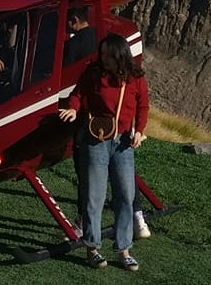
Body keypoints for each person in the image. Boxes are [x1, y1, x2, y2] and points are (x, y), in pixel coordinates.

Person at [58, 33, 149, 271]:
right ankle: (93, 248)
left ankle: (123, 249)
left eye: (109, 55)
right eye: (102, 53)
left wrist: (139, 130)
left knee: (126, 196)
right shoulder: (94, 73)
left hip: (123, 145)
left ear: (120, 55)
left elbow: (142, 105)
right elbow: (77, 95)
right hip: (95, 140)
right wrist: (73, 109)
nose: (104, 58)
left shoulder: (135, 77)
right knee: (94, 196)